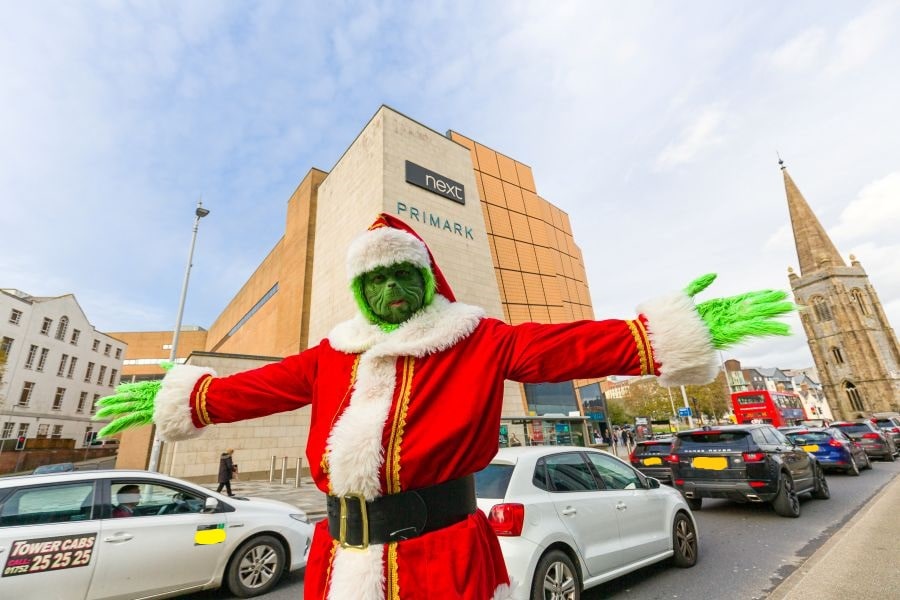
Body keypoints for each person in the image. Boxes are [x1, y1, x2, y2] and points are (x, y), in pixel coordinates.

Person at [96, 213, 793, 600]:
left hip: (442, 559)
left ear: (427, 277)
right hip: (340, 563)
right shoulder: (332, 354)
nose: (391, 290)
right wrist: (184, 397)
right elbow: (252, 389)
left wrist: (654, 337)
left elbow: (563, 348)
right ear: (359, 290)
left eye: (403, 274)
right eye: (376, 280)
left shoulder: (476, 339)